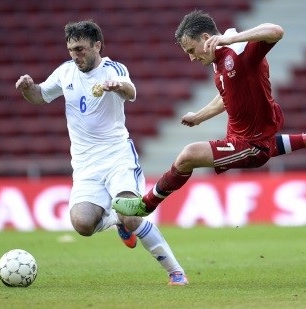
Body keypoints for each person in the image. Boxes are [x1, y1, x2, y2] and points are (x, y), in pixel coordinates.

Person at [112, 10, 306, 218]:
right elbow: (226, 96)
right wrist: (199, 116)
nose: (191, 57)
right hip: (250, 137)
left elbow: (276, 31)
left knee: (188, 156)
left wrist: (235, 37)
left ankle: (146, 204)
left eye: (191, 49)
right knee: (264, 144)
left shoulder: (240, 53)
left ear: (207, 38)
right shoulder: (219, 61)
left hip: (249, 143)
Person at [15, 20, 188, 286]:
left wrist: (117, 86)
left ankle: (176, 272)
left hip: (117, 156)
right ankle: (115, 220)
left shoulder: (113, 69)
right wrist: (28, 88)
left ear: (97, 45)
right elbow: (40, 96)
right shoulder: (65, 72)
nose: (76, 55)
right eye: (72, 49)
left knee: (131, 216)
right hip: (85, 165)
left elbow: (131, 92)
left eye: (81, 49)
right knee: (82, 224)